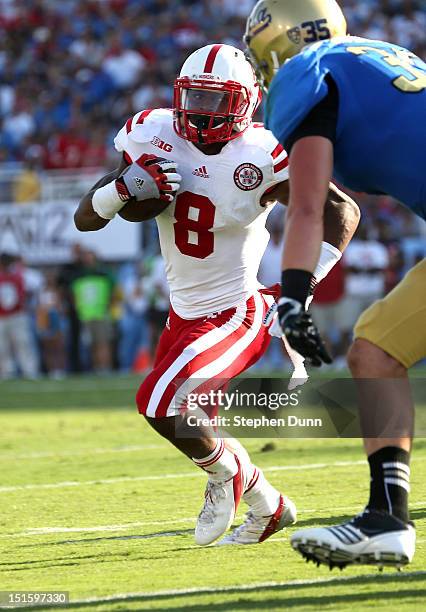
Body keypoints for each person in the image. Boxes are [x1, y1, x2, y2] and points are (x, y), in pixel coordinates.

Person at [75, 44, 359, 546]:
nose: (203, 115)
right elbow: (88, 218)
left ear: (246, 102)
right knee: (194, 421)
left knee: (161, 404)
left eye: (216, 102)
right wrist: (119, 190)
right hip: (182, 313)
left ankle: (225, 476)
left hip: (237, 311)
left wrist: (304, 288)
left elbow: (342, 212)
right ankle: (266, 504)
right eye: (195, 99)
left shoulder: (264, 152)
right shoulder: (153, 131)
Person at [245, 0, 425, 567]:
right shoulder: (384, 56)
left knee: (376, 352)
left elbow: (306, 208)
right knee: (376, 349)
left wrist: (293, 297)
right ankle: (386, 518)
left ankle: (389, 519)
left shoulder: (306, 75)